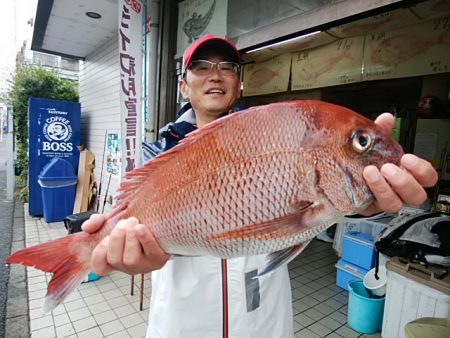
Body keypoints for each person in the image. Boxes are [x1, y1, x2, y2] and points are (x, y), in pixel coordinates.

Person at [82, 34, 438, 337]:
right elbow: (135, 226)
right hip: (183, 317)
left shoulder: (272, 134)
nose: (215, 75)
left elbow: (316, 201)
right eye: (202, 66)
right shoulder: (156, 152)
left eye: (227, 67)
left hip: (259, 316)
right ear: (183, 84)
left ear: (240, 83)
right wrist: (129, 252)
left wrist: (365, 201)